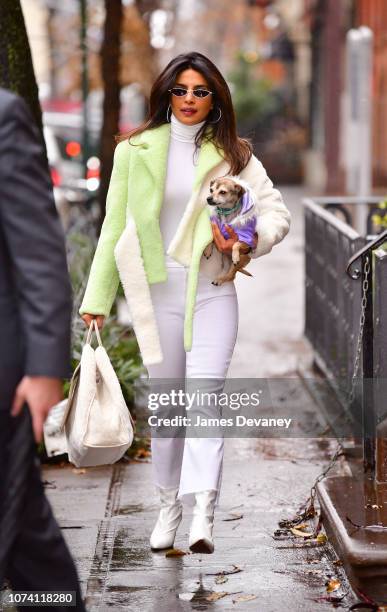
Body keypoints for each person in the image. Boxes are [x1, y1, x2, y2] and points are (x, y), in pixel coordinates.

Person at [80, 51, 291, 554]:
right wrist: (98, 298)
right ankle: (168, 506)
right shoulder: (134, 150)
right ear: (166, 95)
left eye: (200, 91)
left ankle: (202, 512)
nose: (190, 99)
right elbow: (114, 227)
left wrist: (244, 239)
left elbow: (277, 214)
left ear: (215, 98)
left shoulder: (234, 153)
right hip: (157, 297)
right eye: (181, 90)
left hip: (214, 292)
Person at [0, 88, 86, 610]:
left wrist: (44, 369)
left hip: (5, 382)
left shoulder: (3, 118)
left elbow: (39, 254)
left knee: (25, 534)